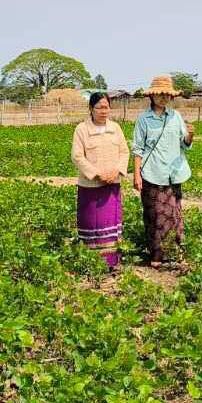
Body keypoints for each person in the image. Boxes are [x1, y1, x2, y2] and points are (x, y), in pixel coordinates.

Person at [132, 75, 196, 267]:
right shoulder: (143, 119)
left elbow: (184, 144)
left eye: (167, 94)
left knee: (175, 214)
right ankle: (157, 255)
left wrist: (190, 136)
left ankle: (176, 252)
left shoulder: (176, 116)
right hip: (152, 173)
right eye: (160, 94)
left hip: (174, 174)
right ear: (152, 96)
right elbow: (137, 149)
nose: (164, 98)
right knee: (156, 215)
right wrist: (136, 175)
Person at [71, 91, 130, 272]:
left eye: (106, 107)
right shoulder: (82, 129)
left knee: (110, 222)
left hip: (112, 185)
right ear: (91, 109)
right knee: (90, 222)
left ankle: (111, 261)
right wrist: (97, 174)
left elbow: (124, 152)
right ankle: (91, 262)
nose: (103, 111)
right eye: (99, 108)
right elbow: (77, 156)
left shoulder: (115, 128)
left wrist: (117, 171)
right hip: (90, 186)